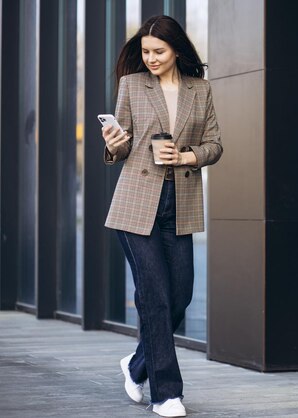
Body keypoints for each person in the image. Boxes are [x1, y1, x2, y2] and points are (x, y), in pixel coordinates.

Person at [101, 15, 222, 417]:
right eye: (145, 52)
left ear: (176, 50)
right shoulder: (131, 85)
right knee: (153, 296)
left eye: (159, 51)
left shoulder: (199, 90)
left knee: (180, 294)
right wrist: (114, 142)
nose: (150, 58)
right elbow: (121, 148)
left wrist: (187, 155)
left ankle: (136, 365)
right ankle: (167, 392)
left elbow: (215, 144)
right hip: (136, 201)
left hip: (180, 200)